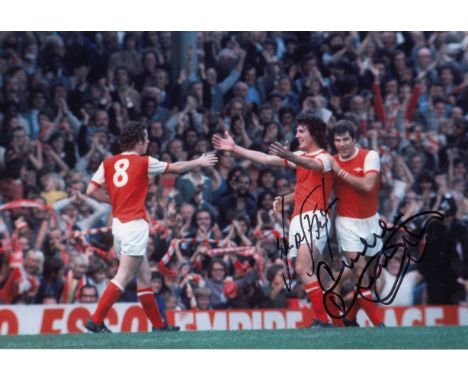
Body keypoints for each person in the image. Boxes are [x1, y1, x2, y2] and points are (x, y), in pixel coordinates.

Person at [84, 121, 217, 333]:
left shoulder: (108, 162)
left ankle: (158, 325)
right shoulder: (144, 162)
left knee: (145, 277)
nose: (148, 141)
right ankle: (96, 320)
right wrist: (199, 161)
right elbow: (174, 168)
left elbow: (91, 190)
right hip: (134, 225)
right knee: (123, 275)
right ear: (138, 141)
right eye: (146, 138)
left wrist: (114, 202)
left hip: (118, 225)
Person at [213, 113, 335, 326]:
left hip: (315, 216)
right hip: (299, 217)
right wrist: (235, 148)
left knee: (304, 268)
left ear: (314, 134)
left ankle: (323, 319)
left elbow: (314, 166)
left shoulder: (324, 157)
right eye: (296, 131)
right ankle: (332, 320)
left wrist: (291, 156)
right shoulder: (300, 156)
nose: (297, 135)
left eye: (301, 131)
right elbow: (266, 159)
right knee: (308, 270)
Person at [328, 120, 385, 326]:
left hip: (371, 222)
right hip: (346, 223)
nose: (341, 144)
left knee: (371, 279)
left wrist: (340, 171)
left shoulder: (370, 156)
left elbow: (368, 185)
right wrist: (287, 199)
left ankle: (350, 319)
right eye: (337, 140)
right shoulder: (331, 162)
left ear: (354, 139)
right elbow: (315, 188)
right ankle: (380, 325)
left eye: (345, 139)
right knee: (360, 272)